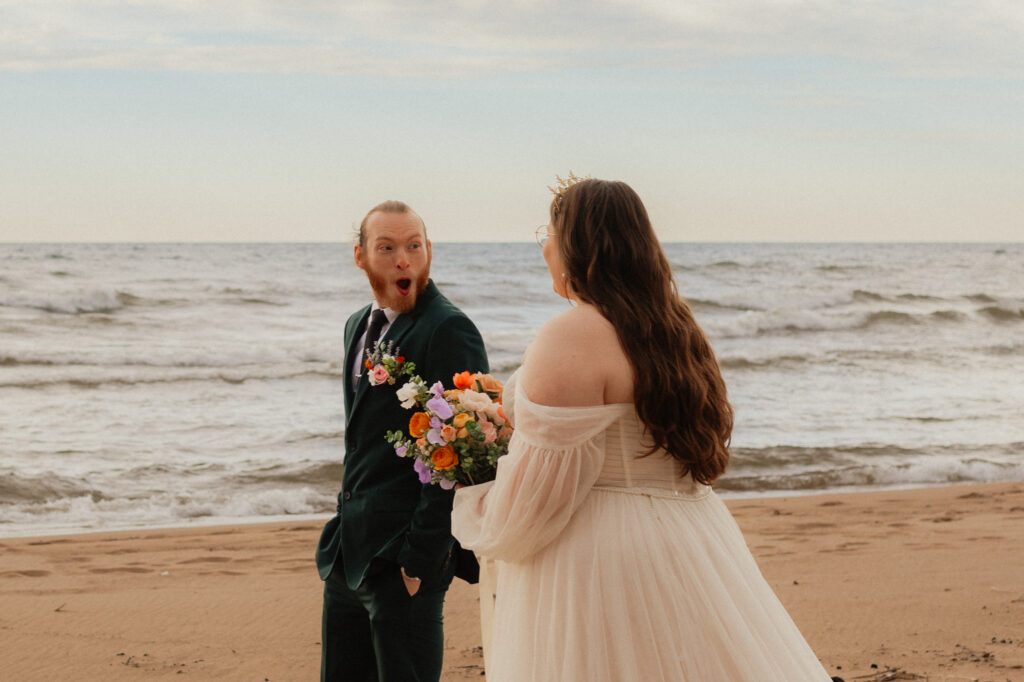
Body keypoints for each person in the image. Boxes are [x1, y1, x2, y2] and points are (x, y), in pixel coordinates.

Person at [451, 178, 833, 681]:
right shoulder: (677, 329)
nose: (544, 245)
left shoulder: (571, 333)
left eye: (550, 232)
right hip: (691, 539)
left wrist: (477, 509)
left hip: (598, 557)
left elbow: (541, 496)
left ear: (579, 246)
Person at [316, 200, 488, 682]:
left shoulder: (448, 328)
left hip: (404, 564)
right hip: (348, 557)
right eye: (387, 247)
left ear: (429, 250)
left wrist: (419, 561)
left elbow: (464, 453)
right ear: (361, 256)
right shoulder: (356, 326)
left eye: (414, 246)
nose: (403, 260)